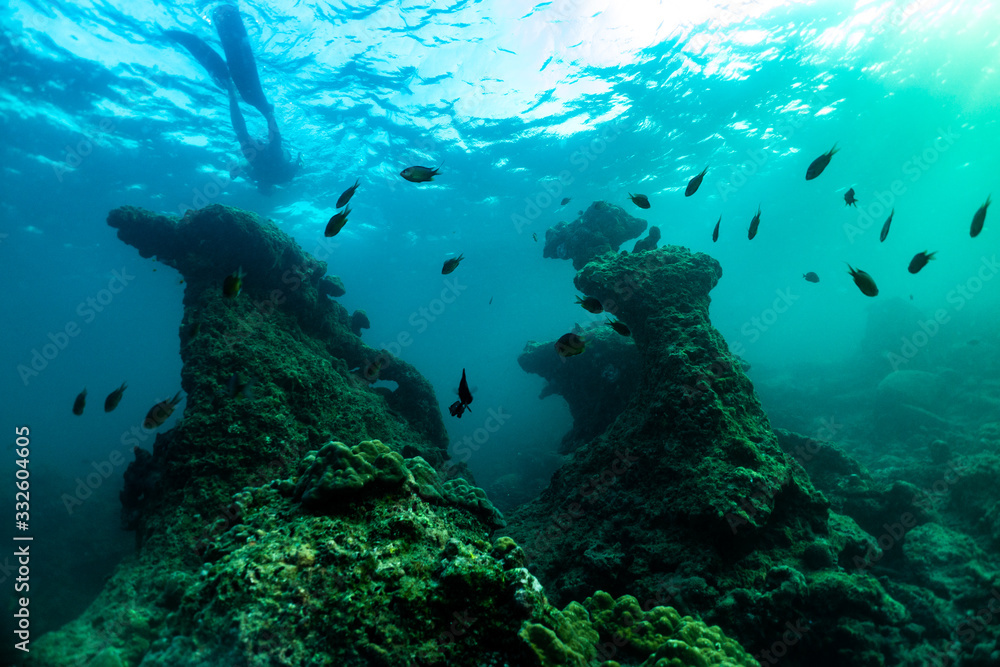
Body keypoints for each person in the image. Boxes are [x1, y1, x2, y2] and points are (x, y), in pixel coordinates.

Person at [166, 4, 300, 192]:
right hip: (268, 161)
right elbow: (249, 133)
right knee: (248, 124)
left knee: (253, 118)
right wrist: (237, 100)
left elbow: (270, 140)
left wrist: (268, 114)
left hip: (267, 161)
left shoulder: (263, 171)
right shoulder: (266, 171)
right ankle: (236, 91)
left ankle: (246, 98)